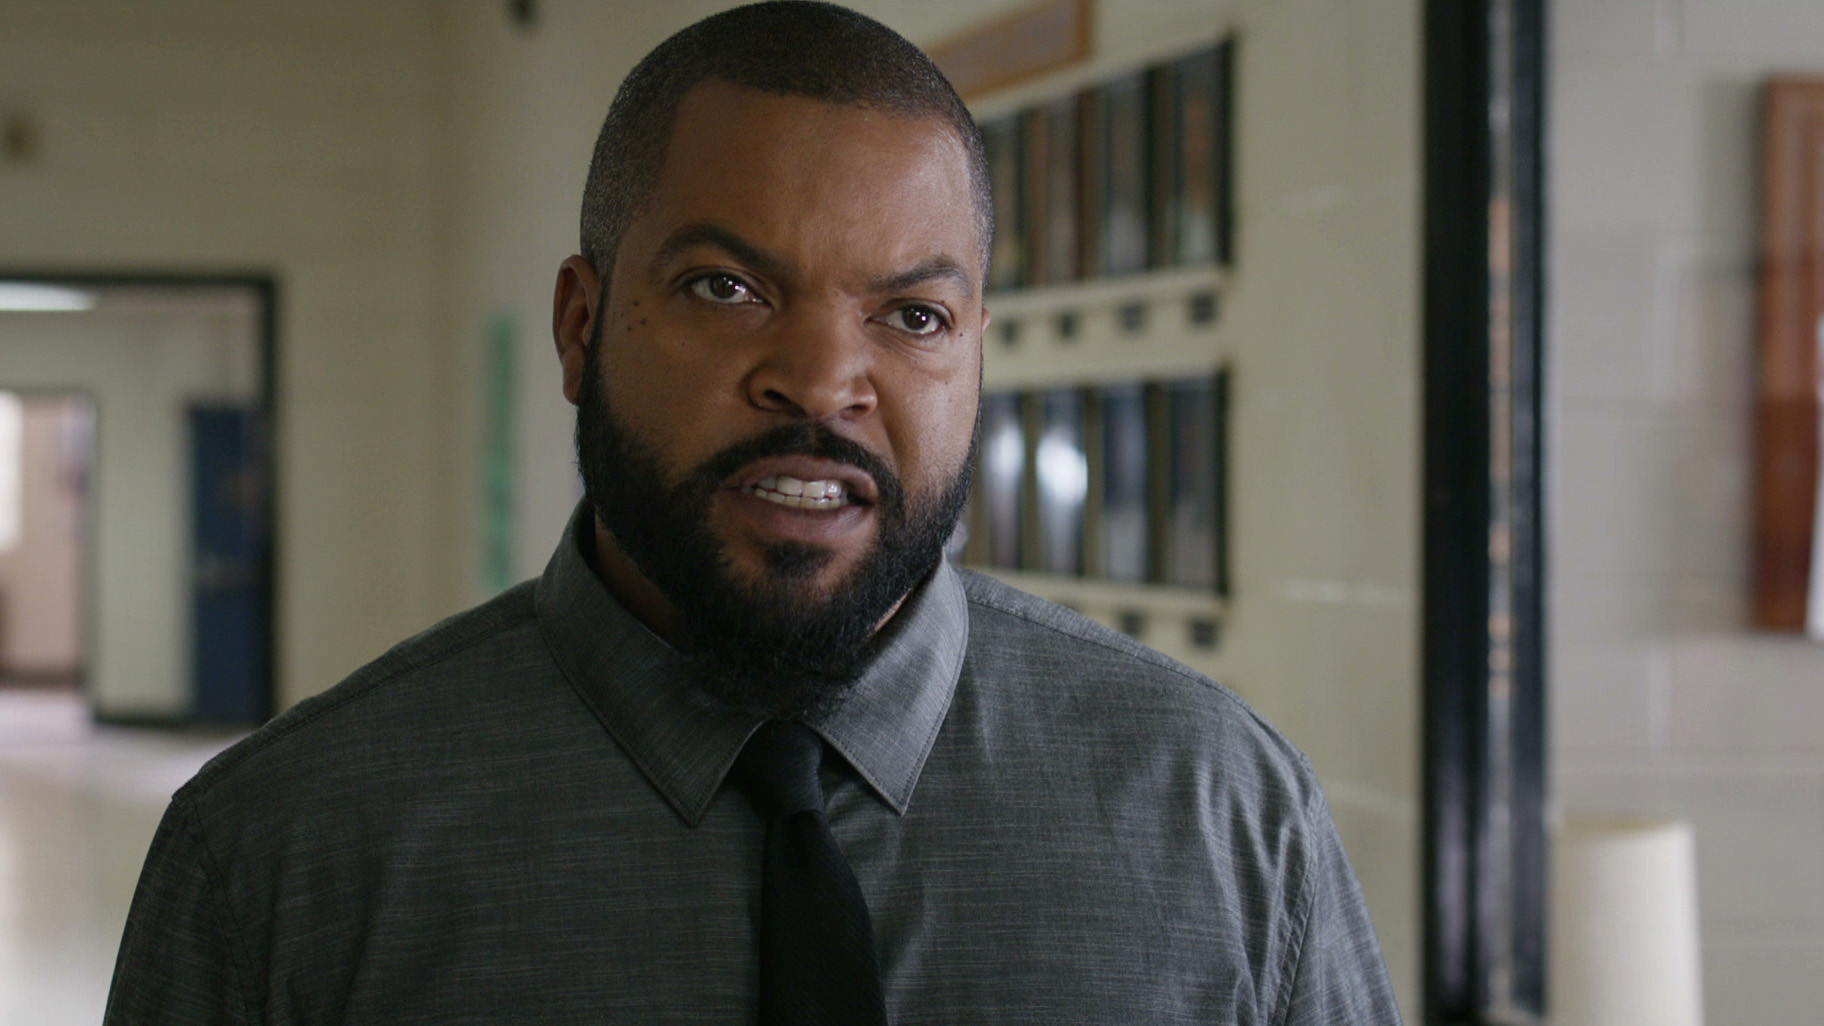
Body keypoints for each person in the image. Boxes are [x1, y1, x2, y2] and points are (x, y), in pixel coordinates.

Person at [105, 3, 1401, 1023]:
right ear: (581, 326)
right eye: (727, 288)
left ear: (976, 354)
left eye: (913, 315)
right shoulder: (282, 854)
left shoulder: (1223, 811)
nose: (823, 382)